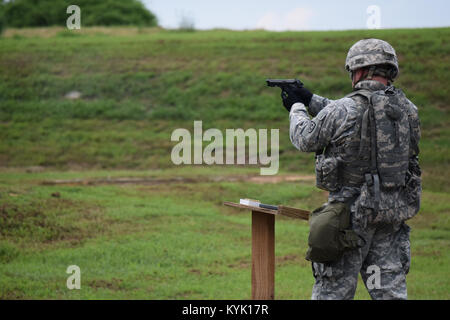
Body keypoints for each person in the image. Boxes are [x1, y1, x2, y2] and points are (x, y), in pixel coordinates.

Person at [280, 39, 422, 300]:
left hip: (348, 222)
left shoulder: (342, 110)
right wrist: (311, 99)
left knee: (333, 291)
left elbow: (305, 137)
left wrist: (297, 108)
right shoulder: (407, 110)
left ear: (359, 71)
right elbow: (360, 114)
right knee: (388, 291)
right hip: (389, 216)